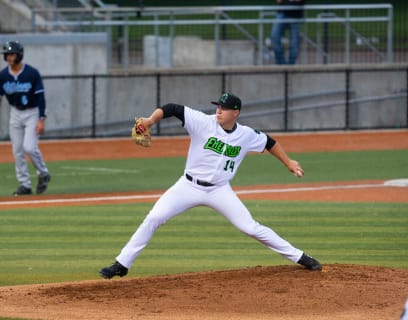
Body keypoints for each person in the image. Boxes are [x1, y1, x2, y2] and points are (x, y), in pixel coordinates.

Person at [99, 92, 322, 279]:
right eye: (218, 106)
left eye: (224, 108)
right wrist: (149, 121)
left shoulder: (245, 135)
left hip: (219, 190)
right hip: (187, 186)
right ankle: (122, 263)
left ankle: (301, 257)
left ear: (235, 112)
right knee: (154, 217)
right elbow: (171, 108)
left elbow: (270, 143)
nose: (219, 111)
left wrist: (289, 162)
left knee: (250, 227)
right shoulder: (203, 122)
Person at [0, 41, 51, 196]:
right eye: (7, 54)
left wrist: (41, 118)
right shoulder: (3, 75)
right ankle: (25, 185)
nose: (9, 57)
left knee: (29, 147)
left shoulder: (31, 73)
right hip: (15, 112)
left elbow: (40, 97)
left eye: (12, 54)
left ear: (19, 55)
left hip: (32, 112)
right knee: (17, 150)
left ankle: (43, 173)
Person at [270, 0, 305, 65]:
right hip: (282, 13)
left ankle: (290, 66)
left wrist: (286, 2)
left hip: (295, 14)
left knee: (294, 42)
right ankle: (282, 65)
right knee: (274, 36)